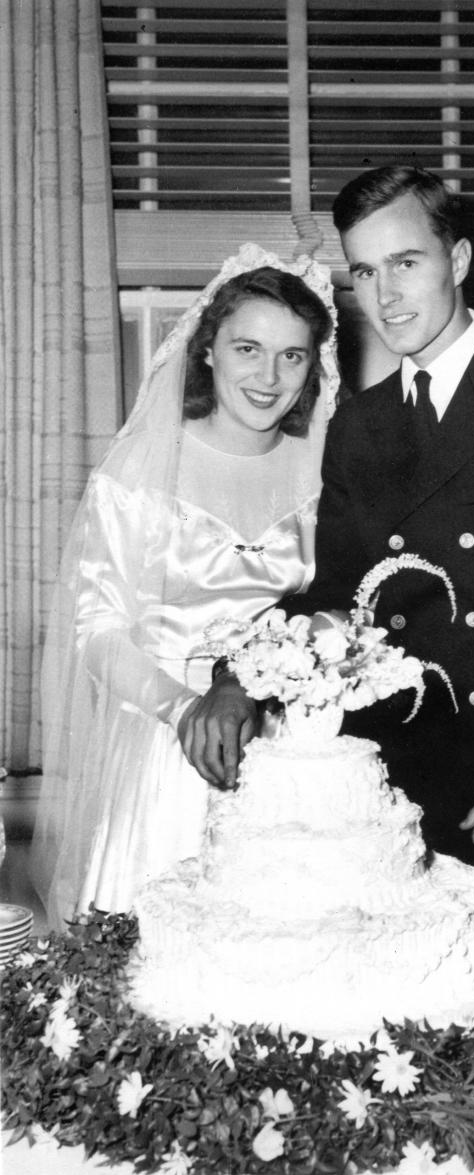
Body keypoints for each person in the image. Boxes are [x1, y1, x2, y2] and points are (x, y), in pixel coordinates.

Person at [184, 166, 474, 924]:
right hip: (393, 793)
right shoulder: (359, 426)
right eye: (365, 271)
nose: (385, 294)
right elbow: (335, 596)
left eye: (406, 263)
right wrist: (238, 675)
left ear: (458, 262)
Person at [30, 245, 339, 930]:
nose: (269, 375)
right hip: (168, 751)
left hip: (294, 754)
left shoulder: (324, 474)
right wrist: (184, 709)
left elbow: (337, 608)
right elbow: (97, 630)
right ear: (207, 350)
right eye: (248, 348)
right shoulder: (138, 473)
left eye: (292, 355)